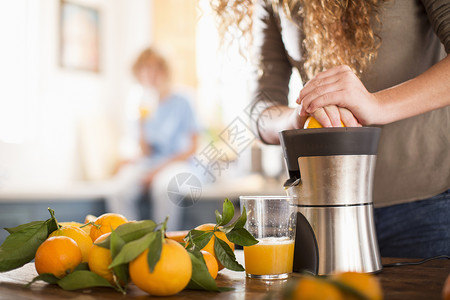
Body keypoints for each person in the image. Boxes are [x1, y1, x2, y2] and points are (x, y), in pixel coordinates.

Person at [211, 0, 450, 257]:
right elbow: (261, 108)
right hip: (324, 212)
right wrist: (299, 116)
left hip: (427, 208)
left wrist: (377, 105)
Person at [114, 48, 201, 230]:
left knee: (163, 189)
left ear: (165, 70)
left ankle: (164, 242)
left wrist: (156, 171)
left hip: (180, 163)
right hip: (152, 163)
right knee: (119, 189)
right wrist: (141, 123)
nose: (150, 74)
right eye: (145, 69)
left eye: (155, 68)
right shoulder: (143, 104)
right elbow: (147, 152)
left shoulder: (183, 100)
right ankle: (130, 241)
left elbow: (192, 148)